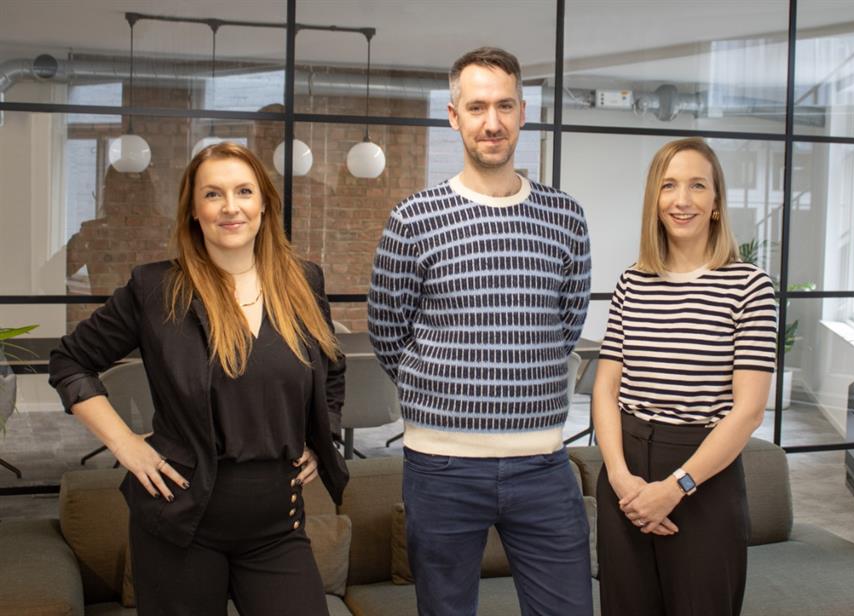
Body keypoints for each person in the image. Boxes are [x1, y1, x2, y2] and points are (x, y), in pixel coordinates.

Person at [48, 142, 348, 616]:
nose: (231, 207)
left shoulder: (303, 281)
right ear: (193, 209)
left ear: (264, 202)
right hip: (180, 525)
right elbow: (69, 362)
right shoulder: (155, 290)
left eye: (244, 191)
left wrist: (322, 434)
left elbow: (331, 369)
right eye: (213, 194)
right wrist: (126, 445)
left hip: (278, 526)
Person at [368, 47, 593, 616]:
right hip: (441, 467)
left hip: (544, 463)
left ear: (522, 112)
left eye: (504, 106)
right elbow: (387, 332)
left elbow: (566, 326)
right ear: (454, 116)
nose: (491, 122)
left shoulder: (565, 216)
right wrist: (446, 388)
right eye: (477, 107)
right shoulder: (413, 218)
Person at [592, 137, 777, 616]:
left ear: (716, 203)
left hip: (703, 479)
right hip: (625, 475)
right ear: (655, 199)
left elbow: (749, 411)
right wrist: (619, 478)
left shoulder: (749, 286)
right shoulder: (633, 281)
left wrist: (675, 488)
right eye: (669, 185)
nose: (682, 199)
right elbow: (606, 388)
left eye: (698, 185)